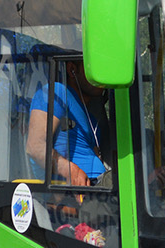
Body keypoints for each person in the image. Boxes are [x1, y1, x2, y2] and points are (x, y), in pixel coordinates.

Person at [26, 59, 107, 187]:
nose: (102, 75)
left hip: (98, 186)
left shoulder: (92, 119)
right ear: (71, 69)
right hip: (77, 190)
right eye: (94, 67)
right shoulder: (56, 92)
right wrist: (71, 171)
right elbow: (35, 146)